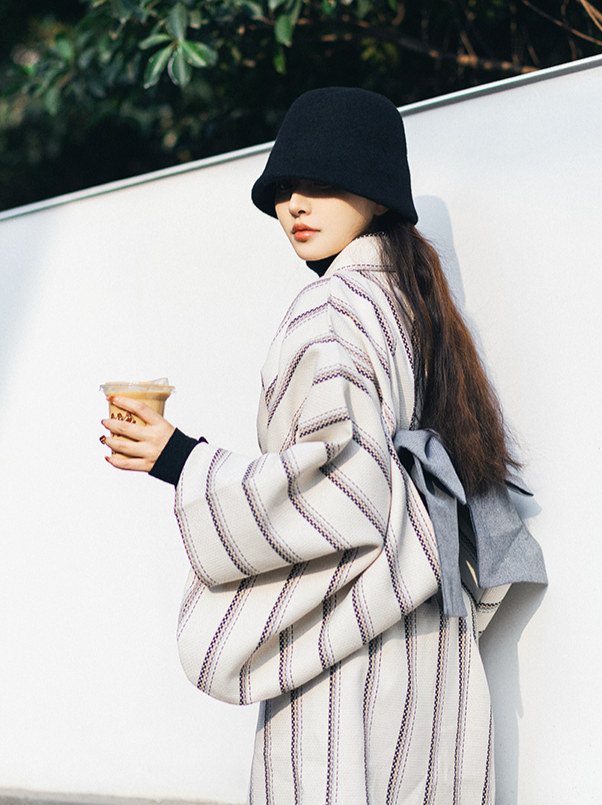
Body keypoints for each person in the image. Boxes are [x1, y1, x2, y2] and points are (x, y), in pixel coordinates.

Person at [101, 87, 546, 804]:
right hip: (427, 625)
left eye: (322, 182)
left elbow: (340, 483)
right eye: (282, 189)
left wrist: (178, 458)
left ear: (375, 192)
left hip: (351, 642)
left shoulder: (332, 304)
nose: (294, 205)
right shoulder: (418, 305)